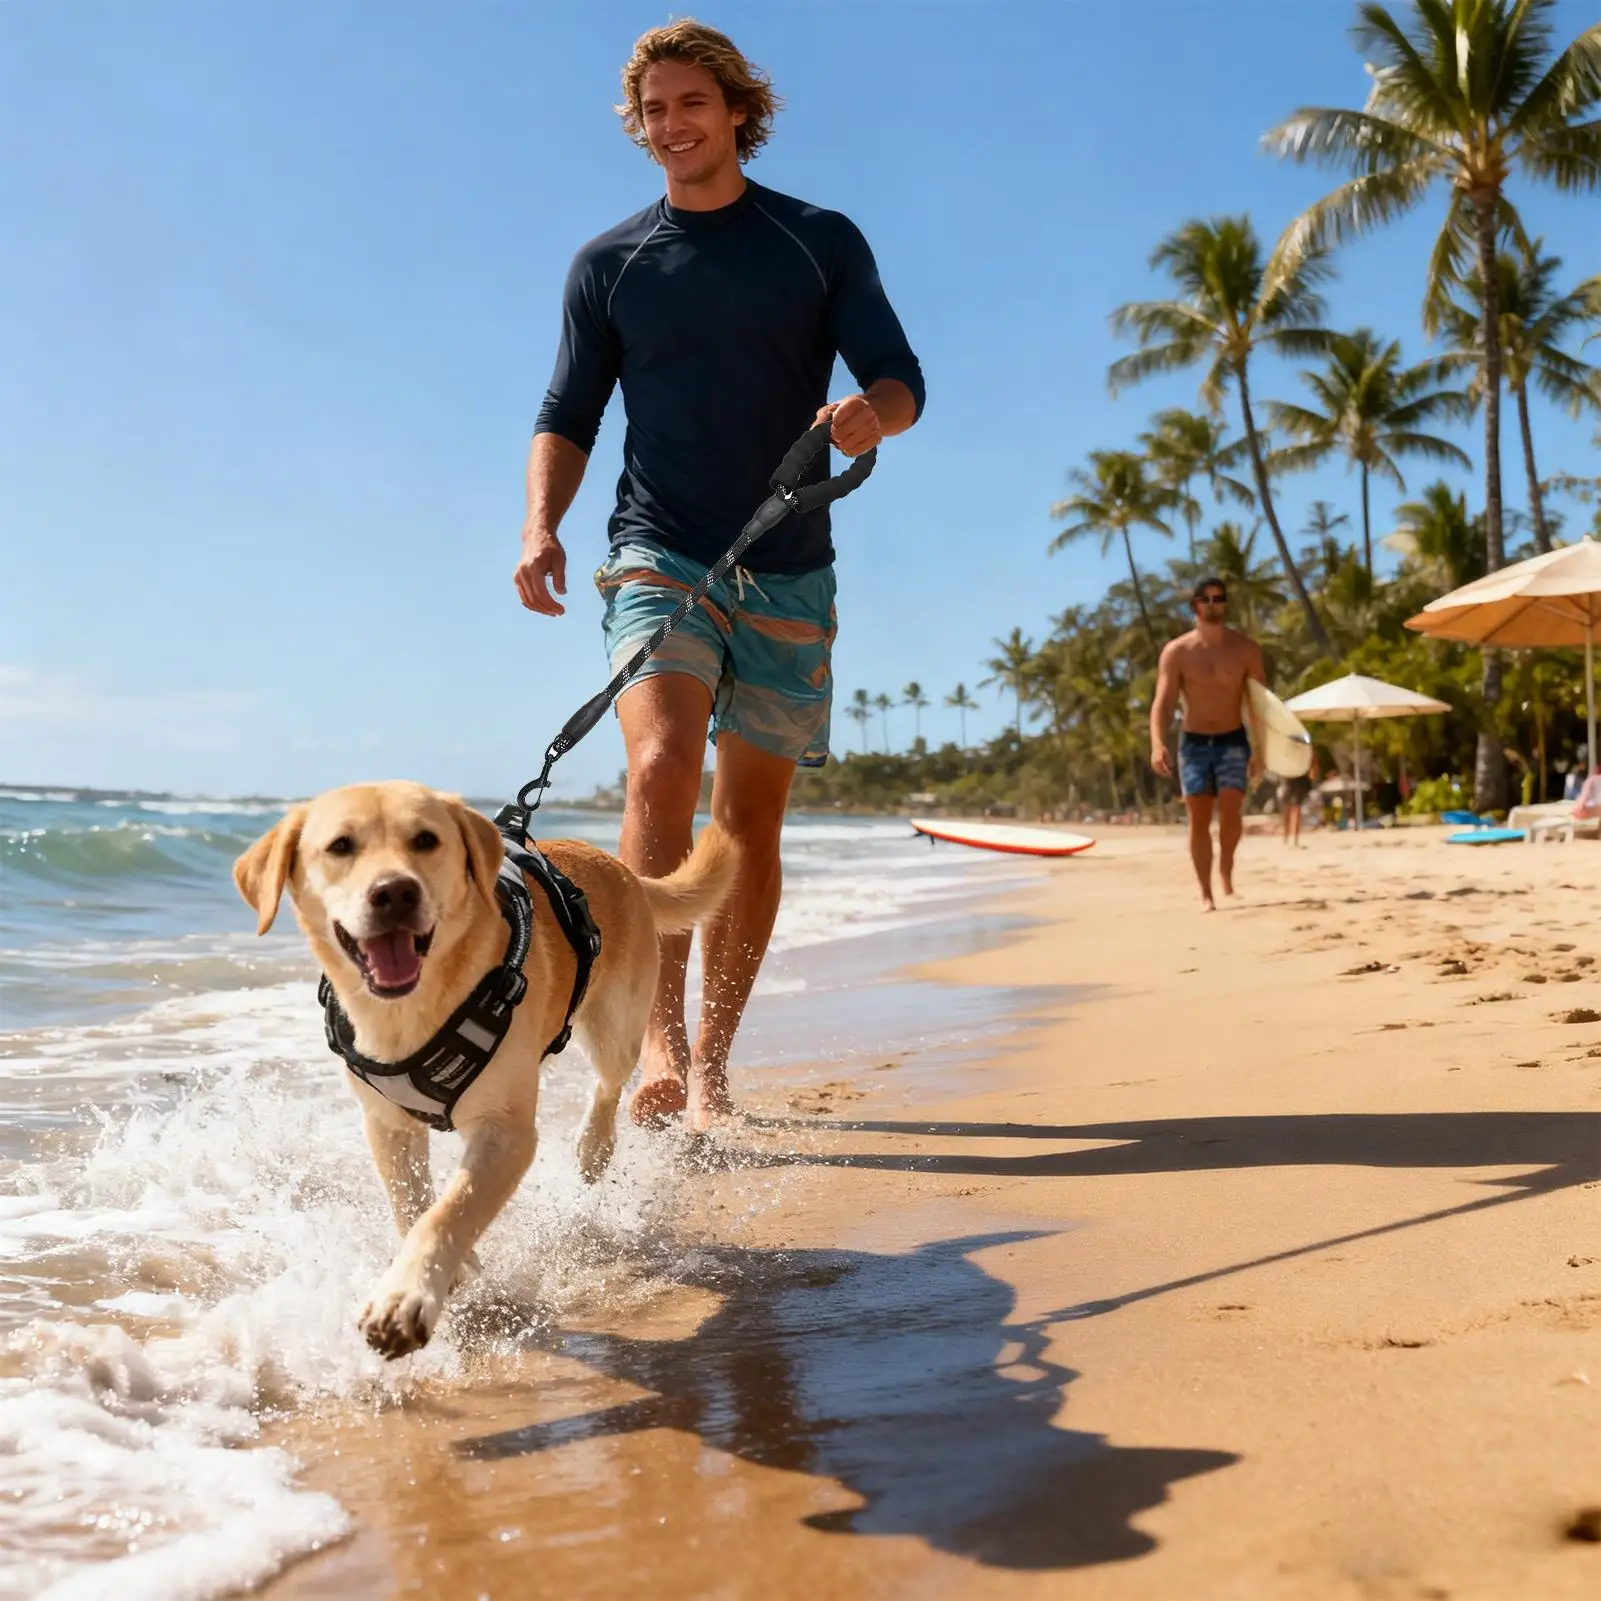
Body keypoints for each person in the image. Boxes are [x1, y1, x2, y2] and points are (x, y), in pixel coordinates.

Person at [513, 21, 924, 1131]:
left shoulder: (814, 241)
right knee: (657, 767)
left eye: (690, 102)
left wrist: (865, 414)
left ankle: (713, 1072)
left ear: (738, 109)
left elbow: (901, 378)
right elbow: (566, 412)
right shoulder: (610, 263)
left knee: (747, 825)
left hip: (788, 559)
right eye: (652, 109)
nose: (670, 125)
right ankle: (659, 1044)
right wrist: (540, 526)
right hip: (659, 549)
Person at [1149, 577, 1266, 910]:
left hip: (1233, 737)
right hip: (1194, 741)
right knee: (1198, 817)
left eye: (1219, 599)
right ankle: (1206, 892)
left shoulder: (1245, 649)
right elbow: (1163, 702)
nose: (1214, 605)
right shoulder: (1177, 652)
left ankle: (1226, 868)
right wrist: (1158, 743)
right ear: (1194, 606)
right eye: (1207, 600)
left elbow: (1260, 704)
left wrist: (1260, 749)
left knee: (1231, 808)